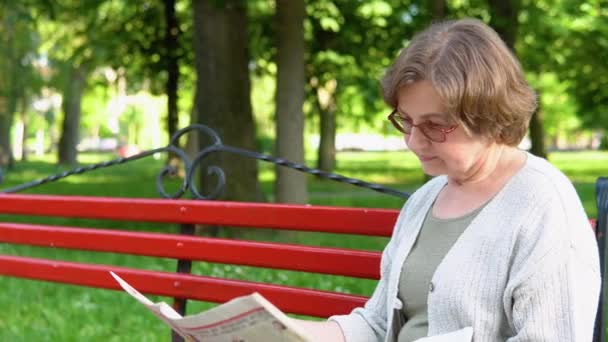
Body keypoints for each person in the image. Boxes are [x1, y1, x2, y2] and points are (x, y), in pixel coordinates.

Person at [292, 18, 601, 341]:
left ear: (488, 115)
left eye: (434, 125)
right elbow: (378, 324)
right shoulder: (426, 199)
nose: (413, 141)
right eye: (406, 121)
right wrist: (291, 332)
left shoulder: (543, 203)